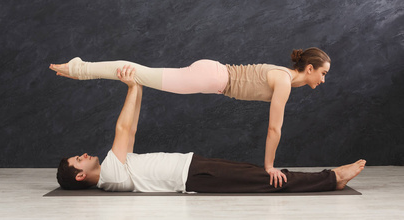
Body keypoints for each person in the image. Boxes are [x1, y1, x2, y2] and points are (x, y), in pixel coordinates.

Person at [56, 65, 366, 193]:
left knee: (255, 174)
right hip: (191, 175)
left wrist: (134, 86)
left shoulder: (115, 168)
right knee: (260, 177)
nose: (84, 154)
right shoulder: (109, 173)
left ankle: (329, 179)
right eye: (78, 160)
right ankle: (332, 178)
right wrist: (131, 83)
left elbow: (131, 129)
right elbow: (124, 127)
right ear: (81, 175)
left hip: (192, 167)